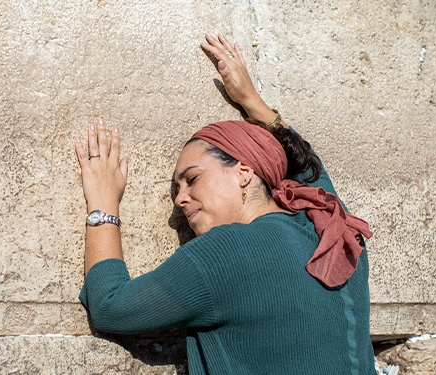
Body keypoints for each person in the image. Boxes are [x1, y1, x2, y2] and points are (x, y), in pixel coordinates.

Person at [74, 33, 375, 374]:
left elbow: (111, 307)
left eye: (193, 178)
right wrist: (253, 102)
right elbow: (309, 168)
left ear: (244, 172)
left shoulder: (227, 250)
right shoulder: (334, 230)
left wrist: (103, 203)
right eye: (177, 188)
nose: (180, 198)